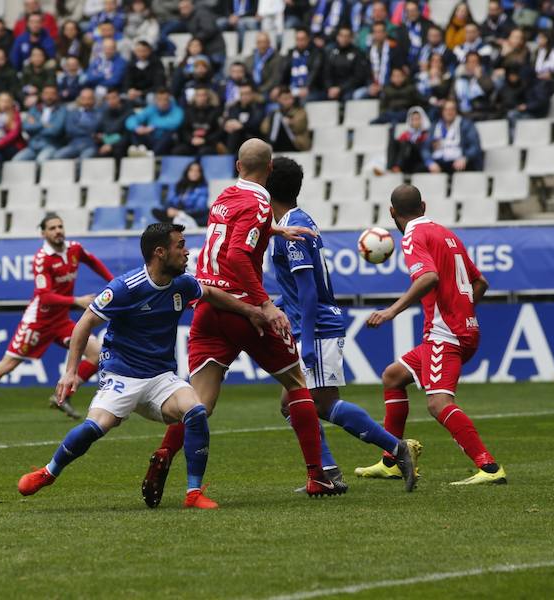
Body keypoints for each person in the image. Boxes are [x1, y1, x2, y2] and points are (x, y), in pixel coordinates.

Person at [139, 139, 348, 508]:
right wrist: (265, 304)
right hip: (243, 308)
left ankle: (163, 456)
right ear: (269, 170)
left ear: (238, 166)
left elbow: (232, 237)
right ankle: (319, 476)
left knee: (199, 402)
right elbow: (237, 252)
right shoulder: (261, 202)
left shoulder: (224, 196)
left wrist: (275, 231)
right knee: (297, 384)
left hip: (207, 303)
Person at [18, 223, 273, 509]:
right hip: (122, 374)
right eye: (180, 245)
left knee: (196, 410)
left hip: (161, 377)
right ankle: (49, 472)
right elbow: (85, 324)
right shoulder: (126, 288)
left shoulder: (182, 283)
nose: (187, 251)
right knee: (97, 425)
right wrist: (70, 371)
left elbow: (211, 294)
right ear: (160, 253)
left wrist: (251, 310)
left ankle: (193, 493)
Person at [267, 157, 420, 492]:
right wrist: (281, 303)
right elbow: (302, 287)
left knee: (320, 403)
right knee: (290, 404)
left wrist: (306, 340)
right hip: (311, 322)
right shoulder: (298, 221)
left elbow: (309, 291)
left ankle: (396, 447)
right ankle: (327, 473)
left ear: (267, 186)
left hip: (316, 326)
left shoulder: (291, 231)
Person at [354, 184, 506, 486]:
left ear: (392, 213)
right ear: (423, 207)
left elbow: (428, 277)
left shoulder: (413, 236)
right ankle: (392, 461)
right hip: (459, 328)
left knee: (438, 404)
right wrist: (463, 310)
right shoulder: (445, 233)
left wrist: (391, 311)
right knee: (393, 377)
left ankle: (489, 467)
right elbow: (482, 282)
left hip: (445, 333)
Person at [0, 213, 114, 425]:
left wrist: (113, 282)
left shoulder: (74, 249)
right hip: (38, 322)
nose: (58, 231)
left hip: (61, 320)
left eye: (60, 226)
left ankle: (62, 397)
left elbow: (92, 261)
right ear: (43, 233)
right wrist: (76, 300)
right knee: (7, 365)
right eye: (52, 228)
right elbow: (44, 295)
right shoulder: (41, 259)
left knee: (96, 354)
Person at [422, 100, 483, 173]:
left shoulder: (466, 125)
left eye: (452, 109)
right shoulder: (434, 126)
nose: (449, 112)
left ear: (456, 111)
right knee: (420, 169)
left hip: (459, 160)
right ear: (442, 111)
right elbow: (425, 148)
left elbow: (475, 146)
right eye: (446, 109)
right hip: (439, 160)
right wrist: (430, 162)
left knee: (465, 167)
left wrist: (465, 158)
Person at [14, 84, 67, 161]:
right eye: (46, 93)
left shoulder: (62, 110)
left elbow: (55, 130)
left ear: (57, 96)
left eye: (52, 94)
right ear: (42, 95)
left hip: (51, 146)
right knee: (16, 161)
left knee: (40, 161)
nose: (49, 96)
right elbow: (26, 127)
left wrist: (35, 125)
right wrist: (43, 124)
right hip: (33, 147)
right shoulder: (34, 109)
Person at [125, 88, 184, 156]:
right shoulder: (151, 109)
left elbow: (175, 123)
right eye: (159, 99)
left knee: (170, 133)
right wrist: (137, 128)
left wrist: (154, 126)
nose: (163, 102)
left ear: (169, 100)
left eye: (165, 99)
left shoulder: (177, 110)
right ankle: (137, 148)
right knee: (133, 130)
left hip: (167, 143)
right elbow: (131, 120)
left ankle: (152, 154)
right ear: (155, 100)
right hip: (152, 139)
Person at [355, 21, 405, 100]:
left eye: (380, 32)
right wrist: (371, 85)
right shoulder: (368, 51)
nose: (378, 34)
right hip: (372, 86)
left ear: (385, 33)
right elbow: (365, 72)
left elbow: (397, 69)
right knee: (358, 95)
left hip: (389, 85)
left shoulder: (394, 49)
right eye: (376, 32)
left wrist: (385, 86)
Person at [154, 161, 208, 227]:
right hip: (176, 213)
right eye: (191, 170)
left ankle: (175, 223)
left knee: (205, 215)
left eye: (197, 171)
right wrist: (170, 209)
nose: (194, 173)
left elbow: (200, 209)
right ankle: (176, 223)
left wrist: (180, 213)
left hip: (192, 215)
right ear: (187, 172)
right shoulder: (179, 186)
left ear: (201, 174)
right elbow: (170, 202)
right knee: (156, 211)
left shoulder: (203, 188)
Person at [172, 86, 222, 157]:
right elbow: (184, 130)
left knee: (204, 152)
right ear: (194, 97)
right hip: (191, 143)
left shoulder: (215, 111)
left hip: (208, 144)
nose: (201, 98)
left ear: (207, 97)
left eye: (203, 95)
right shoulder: (188, 111)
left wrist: (205, 140)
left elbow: (218, 131)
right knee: (177, 151)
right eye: (198, 95)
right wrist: (191, 139)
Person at [324, 26, 370, 101]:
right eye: (341, 36)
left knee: (348, 97)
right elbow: (326, 73)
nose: (344, 39)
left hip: (349, 88)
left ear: (351, 38)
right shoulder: (331, 53)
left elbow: (358, 77)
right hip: (332, 88)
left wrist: (340, 88)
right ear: (337, 37)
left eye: (346, 36)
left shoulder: (358, 53)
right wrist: (329, 88)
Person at [53, 88, 100, 159]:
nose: (86, 102)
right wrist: (89, 131)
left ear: (94, 100)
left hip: (90, 146)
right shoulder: (72, 113)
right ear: (80, 99)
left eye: (89, 99)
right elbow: (70, 130)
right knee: (57, 156)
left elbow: (96, 127)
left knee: (83, 160)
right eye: (84, 98)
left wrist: (79, 126)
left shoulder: (99, 114)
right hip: (74, 145)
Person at [260, 86, 311, 152]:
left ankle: (271, 143)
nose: (289, 101)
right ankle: (271, 143)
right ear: (279, 100)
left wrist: (290, 122)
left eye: (290, 98)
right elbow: (263, 129)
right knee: (277, 116)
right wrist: (276, 123)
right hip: (279, 141)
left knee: (278, 117)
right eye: (285, 99)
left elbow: (299, 127)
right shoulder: (274, 113)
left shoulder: (300, 111)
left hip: (295, 143)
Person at [179, 0, 226, 69]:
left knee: (217, 76)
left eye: (185, 7)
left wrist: (194, 39)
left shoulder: (201, 13)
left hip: (215, 50)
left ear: (191, 6)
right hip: (207, 51)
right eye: (181, 8)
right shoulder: (189, 18)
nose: (183, 10)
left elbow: (209, 29)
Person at [282, 29, 325, 103]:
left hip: (312, 89)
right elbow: (284, 73)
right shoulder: (290, 54)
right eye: (298, 39)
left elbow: (314, 72)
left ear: (308, 39)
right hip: (293, 88)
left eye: (302, 39)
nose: (300, 42)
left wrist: (307, 87)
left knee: (303, 99)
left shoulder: (316, 53)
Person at [223, 82, 265, 154]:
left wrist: (241, 126)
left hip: (253, 138)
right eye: (242, 94)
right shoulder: (234, 107)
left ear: (253, 94)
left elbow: (256, 124)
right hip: (236, 138)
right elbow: (229, 121)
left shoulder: (258, 107)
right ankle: (230, 157)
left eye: (247, 94)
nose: (244, 96)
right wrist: (226, 124)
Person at [452, 51, 494, 121]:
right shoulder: (459, 80)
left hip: (480, 114)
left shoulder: (484, 77)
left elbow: (489, 88)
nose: (472, 64)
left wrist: (479, 77)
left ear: (479, 64)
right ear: (466, 64)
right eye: (470, 62)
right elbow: (452, 97)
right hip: (461, 114)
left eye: (475, 62)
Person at [386, 106, 430, 173]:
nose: (415, 121)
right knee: (393, 142)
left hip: (417, 159)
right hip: (406, 160)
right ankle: (390, 167)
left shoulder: (426, 133)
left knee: (405, 143)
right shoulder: (406, 134)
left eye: (417, 119)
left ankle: (398, 166)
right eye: (413, 119)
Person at [0, 92, 25, 162]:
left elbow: (14, 134)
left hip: (12, 145)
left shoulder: (15, 115)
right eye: (2, 101)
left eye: (7, 101)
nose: (4, 103)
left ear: (11, 102)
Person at [245, 32, 281, 101]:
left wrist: (260, 90)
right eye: (259, 42)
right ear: (256, 44)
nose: (262, 45)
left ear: (269, 43)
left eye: (264, 42)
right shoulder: (249, 59)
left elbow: (275, 79)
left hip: (268, 91)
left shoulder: (277, 58)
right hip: (252, 91)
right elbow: (247, 76)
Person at [96, 88, 131, 159]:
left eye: (113, 98)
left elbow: (127, 136)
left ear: (119, 98)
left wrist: (112, 146)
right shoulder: (105, 113)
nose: (111, 101)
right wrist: (97, 136)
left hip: (122, 146)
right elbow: (99, 130)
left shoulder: (128, 113)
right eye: (108, 99)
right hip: (106, 143)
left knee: (117, 151)